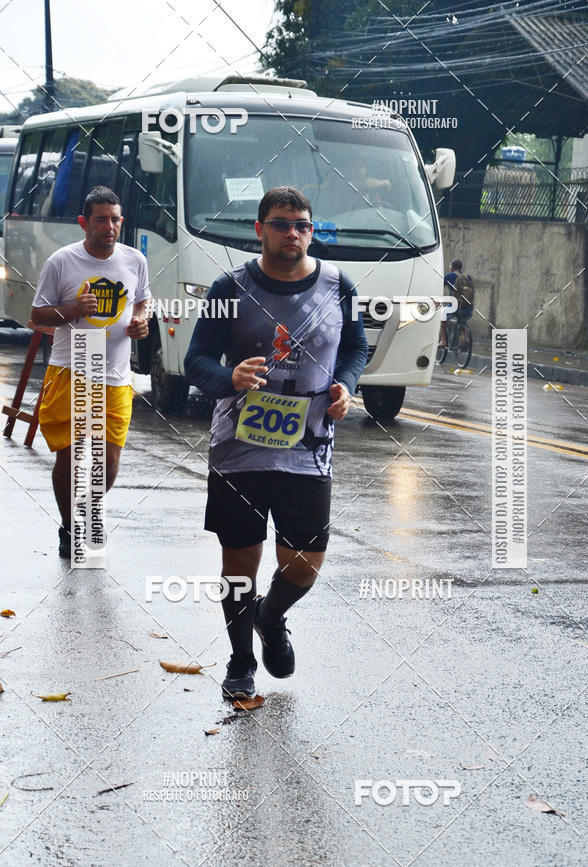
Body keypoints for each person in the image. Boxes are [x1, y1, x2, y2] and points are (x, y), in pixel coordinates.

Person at [184, 186, 369, 700]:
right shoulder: (231, 288)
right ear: (260, 229)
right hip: (239, 450)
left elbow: (355, 346)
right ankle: (241, 660)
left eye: (302, 225)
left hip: (309, 449)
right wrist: (229, 377)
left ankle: (270, 615)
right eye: (282, 223)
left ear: (311, 231)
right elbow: (195, 359)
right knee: (239, 562)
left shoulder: (338, 285)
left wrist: (346, 387)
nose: (293, 233)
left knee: (305, 565)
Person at [30, 186, 151, 558]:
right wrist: (72, 309)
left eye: (115, 219)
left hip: (115, 374)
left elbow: (143, 299)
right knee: (69, 457)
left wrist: (141, 320)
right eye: (101, 219)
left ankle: (85, 508)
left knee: (108, 461)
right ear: (84, 223)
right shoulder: (61, 262)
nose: (109, 226)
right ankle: (70, 527)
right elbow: (36, 316)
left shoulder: (135, 261)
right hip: (73, 367)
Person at [439, 258, 473, 347]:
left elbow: (439, 286)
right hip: (467, 308)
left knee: (442, 318)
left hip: (454, 307)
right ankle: (466, 338)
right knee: (463, 320)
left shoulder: (449, 276)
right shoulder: (467, 277)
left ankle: (443, 341)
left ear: (452, 267)